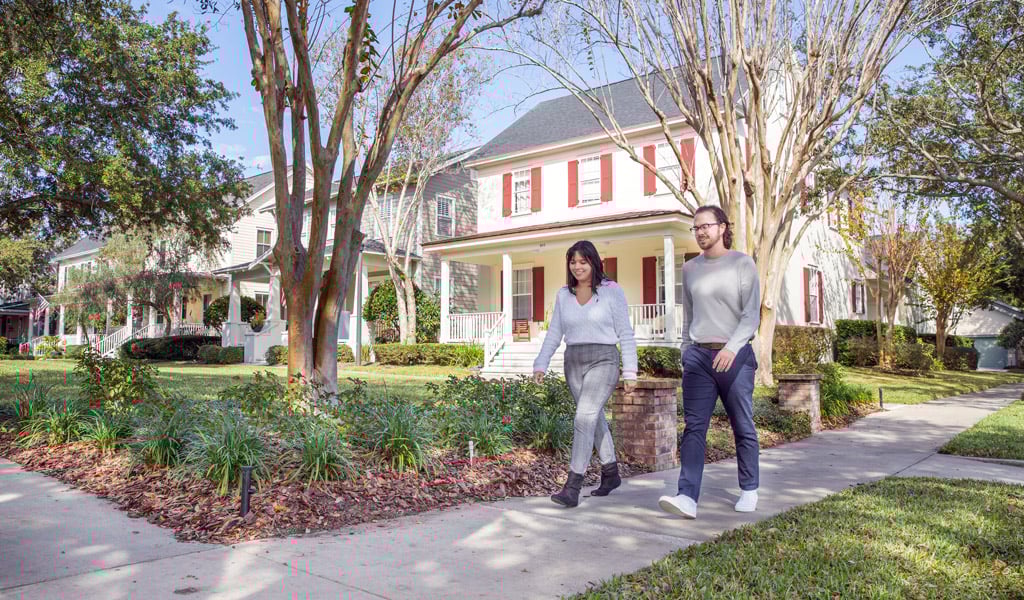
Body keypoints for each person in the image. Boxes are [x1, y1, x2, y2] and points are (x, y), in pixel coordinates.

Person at [659, 205, 761, 519]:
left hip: (736, 356)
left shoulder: (742, 264)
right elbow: (689, 314)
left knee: (741, 424)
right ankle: (687, 497)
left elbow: (751, 314)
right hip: (699, 358)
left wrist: (731, 348)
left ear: (721, 227)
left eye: (706, 226)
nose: (701, 232)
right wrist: (686, 350)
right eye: (696, 228)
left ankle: (749, 487)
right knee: (694, 428)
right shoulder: (690, 269)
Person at [533, 240, 638, 508]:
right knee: (594, 418)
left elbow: (625, 332)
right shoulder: (563, 295)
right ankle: (611, 473)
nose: (578, 266)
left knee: (584, 417)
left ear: (594, 262)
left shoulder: (611, 291)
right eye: (573, 261)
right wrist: (540, 363)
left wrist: (630, 371)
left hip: (604, 359)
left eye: (583, 261)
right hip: (574, 362)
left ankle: (573, 486)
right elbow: (555, 332)